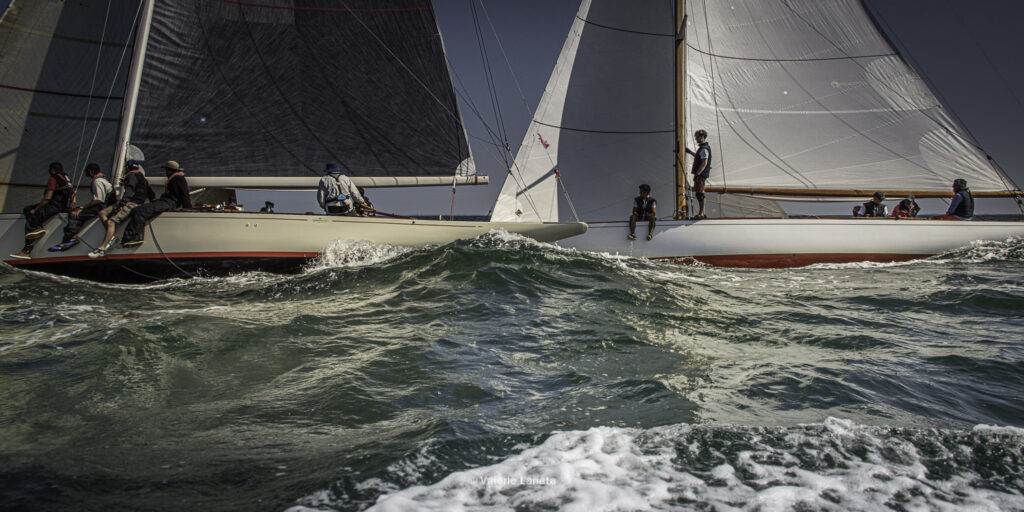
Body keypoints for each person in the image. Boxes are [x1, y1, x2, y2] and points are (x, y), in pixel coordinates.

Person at [89, 160, 155, 258]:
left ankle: (102, 248)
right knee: (102, 213)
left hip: (132, 203)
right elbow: (151, 194)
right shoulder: (142, 178)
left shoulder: (131, 176)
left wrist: (121, 206)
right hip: (134, 202)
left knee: (111, 221)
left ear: (127, 168)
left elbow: (129, 192)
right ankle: (111, 236)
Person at [9, 162, 75, 259]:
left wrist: (35, 209)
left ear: (52, 170)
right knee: (30, 210)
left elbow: (47, 198)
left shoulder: (53, 179)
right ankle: (38, 228)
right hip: (62, 207)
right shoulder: (66, 179)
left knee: (30, 216)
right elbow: (73, 196)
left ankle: (26, 251)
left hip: (53, 206)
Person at [119, 160, 191, 248]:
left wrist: (188, 209)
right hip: (166, 201)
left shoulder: (178, 179)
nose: (166, 173)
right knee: (138, 210)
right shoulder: (176, 178)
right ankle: (134, 236)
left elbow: (184, 195)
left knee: (138, 211)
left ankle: (134, 237)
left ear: (169, 170)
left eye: (167, 170)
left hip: (169, 203)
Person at [49, 163, 115, 251]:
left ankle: (69, 239)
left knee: (74, 214)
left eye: (86, 171)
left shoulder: (98, 181)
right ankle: (70, 237)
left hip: (102, 206)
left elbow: (99, 200)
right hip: (104, 205)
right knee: (77, 210)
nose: (85, 173)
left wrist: (81, 208)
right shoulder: (103, 179)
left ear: (91, 171)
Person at [685, 129, 712, 220]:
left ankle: (701, 213)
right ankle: (702, 213)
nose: (697, 139)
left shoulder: (704, 149)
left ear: (703, 137)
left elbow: (704, 163)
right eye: (696, 137)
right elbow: (698, 156)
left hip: (700, 174)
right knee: (699, 193)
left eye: (698, 137)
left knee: (700, 193)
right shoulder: (703, 149)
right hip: (700, 174)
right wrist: (690, 152)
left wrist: (697, 174)